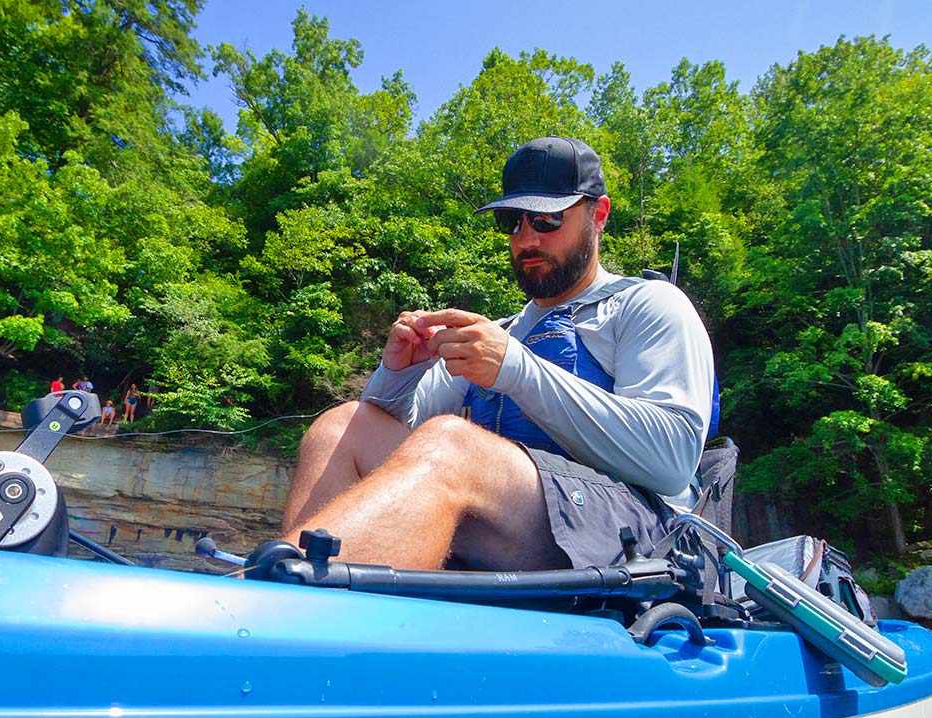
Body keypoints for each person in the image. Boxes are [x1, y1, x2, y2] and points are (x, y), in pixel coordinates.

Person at [280, 136, 716, 572]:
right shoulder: (499, 333)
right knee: (340, 426)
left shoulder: (648, 304)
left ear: (597, 215)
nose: (526, 238)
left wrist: (517, 369)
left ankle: (297, 608)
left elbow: (672, 461)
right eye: (512, 220)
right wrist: (397, 376)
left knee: (451, 443)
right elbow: (392, 444)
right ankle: (292, 586)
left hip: (632, 536)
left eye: (546, 219)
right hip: (506, 519)